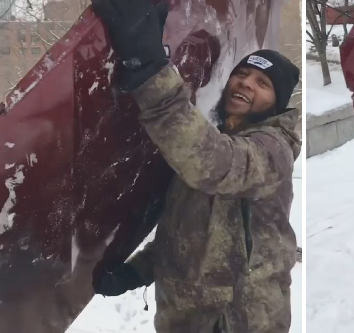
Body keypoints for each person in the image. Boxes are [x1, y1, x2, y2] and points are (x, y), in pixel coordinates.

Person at [88, 0, 301, 332]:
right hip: (185, 320)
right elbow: (190, 232)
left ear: (278, 102)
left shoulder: (272, 150)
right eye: (242, 74)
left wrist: (148, 69)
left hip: (238, 321)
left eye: (263, 83)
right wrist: (138, 272)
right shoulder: (215, 139)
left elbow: (213, 163)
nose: (246, 83)